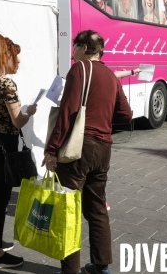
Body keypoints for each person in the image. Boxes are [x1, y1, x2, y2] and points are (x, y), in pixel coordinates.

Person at [43, 30, 132, 274]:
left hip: (78, 149)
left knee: (69, 209)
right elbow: (126, 115)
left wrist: (51, 150)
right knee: (97, 208)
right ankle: (101, 266)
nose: (73, 52)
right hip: (103, 149)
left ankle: (70, 270)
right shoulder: (111, 76)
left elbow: (68, 112)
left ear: (83, 48)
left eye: (75, 47)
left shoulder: (79, 70)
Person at [0, 34, 37, 269]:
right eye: (15, 56)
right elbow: (18, 122)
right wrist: (29, 111)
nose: (18, 61)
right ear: (5, 56)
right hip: (4, 146)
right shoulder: (6, 84)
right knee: (1, 199)